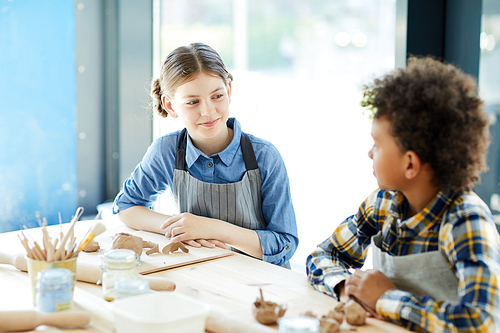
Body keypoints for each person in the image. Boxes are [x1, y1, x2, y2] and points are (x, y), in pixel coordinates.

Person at [306, 56, 500, 331]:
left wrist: (385, 298)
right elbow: (323, 256)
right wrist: (345, 287)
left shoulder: (464, 221)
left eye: (377, 144)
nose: (369, 153)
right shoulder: (381, 204)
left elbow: (482, 322)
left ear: (410, 163)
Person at [112, 42, 298, 268]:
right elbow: (127, 206)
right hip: (201, 276)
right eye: (192, 102)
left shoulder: (264, 156)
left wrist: (213, 229)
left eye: (217, 96)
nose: (208, 111)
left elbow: (285, 244)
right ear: (170, 105)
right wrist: (181, 226)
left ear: (229, 90)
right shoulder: (166, 151)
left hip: (262, 287)